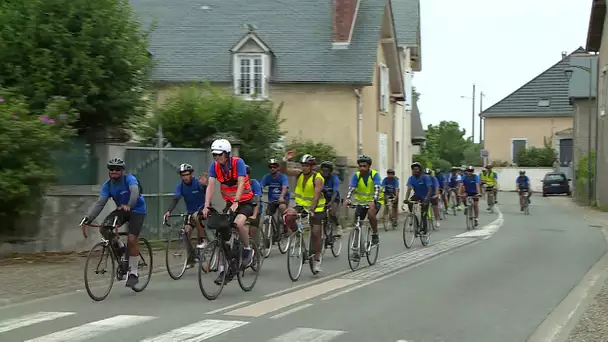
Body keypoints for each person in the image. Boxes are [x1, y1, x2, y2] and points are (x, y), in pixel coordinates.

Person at [80, 158, 146, 288]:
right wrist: (88, 219)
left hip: (137, 210)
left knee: (132, 239)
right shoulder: (108, 185)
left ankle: (133, 273)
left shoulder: (129, 179)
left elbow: (135, 192)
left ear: (122, 171)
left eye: (117, 169)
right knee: (104, 229)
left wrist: (129, 204)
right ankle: (121, 247)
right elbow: (100, 203)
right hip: (122, 209)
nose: (114, 172)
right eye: (111, 170)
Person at [202, 138, 255, 284]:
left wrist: (237, 201)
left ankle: (247, 248)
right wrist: (206, 205)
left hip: (245, 201)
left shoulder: (238, 163)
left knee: (239, 223)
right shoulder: (215, 166)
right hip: (230, 203)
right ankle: (225, 264)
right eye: (215, 155)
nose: (217, 157)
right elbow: (211, 186)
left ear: (227, 154)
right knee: (222, 232)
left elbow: (241, 182)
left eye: (220, 154)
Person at [280, 151, 326, 272]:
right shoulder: (299, 174)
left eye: (307, 165)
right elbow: (284, 171)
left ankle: (317, 259)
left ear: (312, 166)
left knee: (316, 232)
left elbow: (316, 196)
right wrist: (285, 159)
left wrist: (312, 210)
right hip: (301, 205)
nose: (304, 167)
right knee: (288, 217)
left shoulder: (318, 178)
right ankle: (297, 236)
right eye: (303, 165)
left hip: (317, 207)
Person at [163, 163, 208, 268]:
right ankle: (191, 258)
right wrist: (169, 211)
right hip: (191, 212)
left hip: (203, 210)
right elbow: (175, 199)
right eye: (183, 175)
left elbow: (207, 191)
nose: (185, 177)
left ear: (191, 174)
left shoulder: (198, 182)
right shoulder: (180, 186)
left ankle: (202, 240)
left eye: (187, 174)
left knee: (196, 216)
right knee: (186, 232)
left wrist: (205, 185)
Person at [344, 155, 382, 246]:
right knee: (357, 224)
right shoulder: (356, 176)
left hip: (374, 201)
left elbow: (377, 188)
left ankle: (375, 234)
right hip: (361, 203)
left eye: (364, 166)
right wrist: (348, 199)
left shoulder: (374, 175)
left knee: (371, 214)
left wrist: (373, 201)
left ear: (369, 166)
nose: (362, 168)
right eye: (360, 166)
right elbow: (352, 188)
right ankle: (356, 247)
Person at [260, 158, 290, 234]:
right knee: (268, 214)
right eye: (270, 167)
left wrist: (282, 197)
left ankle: (285, 225)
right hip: (272, 200)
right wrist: (258, 196)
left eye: (275, 167)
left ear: (278, 168)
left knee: (282, 207)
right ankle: (269, 233)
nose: (272, 169)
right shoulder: (266, 177)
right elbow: (260, 186)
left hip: (283, 199)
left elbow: (284, 187)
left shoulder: (283, 177)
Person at [404, 162, 432, 235]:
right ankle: (413, 217)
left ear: (420, 170)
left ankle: (424, 229)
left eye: (417, 169)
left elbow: (429, 189)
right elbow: (409, 189)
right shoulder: (411, 178)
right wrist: (406, 199)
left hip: (426, 195)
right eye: (413, 169)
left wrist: (426, 199)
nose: (415, 170)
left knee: (423, 213)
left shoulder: (425, 177)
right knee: (410, 202)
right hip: (417, 195)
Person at [320, 161, 343, 236]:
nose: (325, 172)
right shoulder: (319, 177)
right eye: (323, 170)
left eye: (327, 171)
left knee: (332, 212)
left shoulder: (334, 178)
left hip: (334, 197)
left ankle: (337, 226)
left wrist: (331, 202)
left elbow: (335, 191)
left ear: (330, 171)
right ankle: (324, 231)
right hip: (323, 198)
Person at [246, 165, 263, 244]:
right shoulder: (238, 184)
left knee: (252, 234)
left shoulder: (254, 183)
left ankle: (256, 251)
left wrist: (254, 215)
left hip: (255, 210)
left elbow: (257, 200)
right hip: (245, 209)